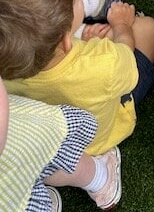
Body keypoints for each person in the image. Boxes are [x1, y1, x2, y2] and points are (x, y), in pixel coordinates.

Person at [1, 0, 154, 155]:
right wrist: (121, 25)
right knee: (149, 29)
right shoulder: (103, 63)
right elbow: (126, 54)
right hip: (103, 133)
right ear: (65, 41)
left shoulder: (5, 69)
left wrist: (83, 40)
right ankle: (95, 9)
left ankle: (83, 21)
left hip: (63, 144)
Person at [0, 74, 121, 211]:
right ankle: (102, 181)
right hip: (15, 141)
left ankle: (37, 201)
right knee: (46, 157)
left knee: (17, 193)